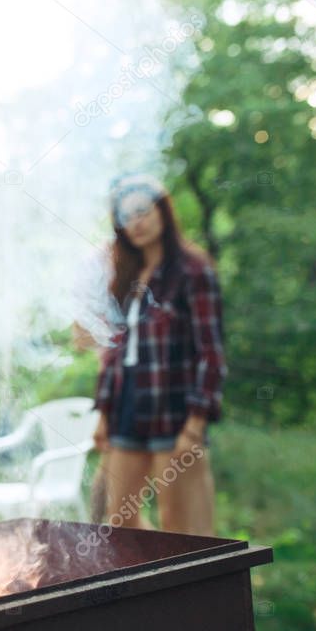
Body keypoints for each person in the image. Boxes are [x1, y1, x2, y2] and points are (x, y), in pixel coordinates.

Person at [92, 174, 226, 535]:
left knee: (186, 532)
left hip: (175, 406)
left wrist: (196, 424)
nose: (135, 222)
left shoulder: (193, 271)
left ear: (162, 211)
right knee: (120, 524)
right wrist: (104, 414)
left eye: (142, 211)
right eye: (126, 216)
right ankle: (151, 588)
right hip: (128, 406)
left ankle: (195, 591)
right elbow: (113, 352)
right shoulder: (125, 276)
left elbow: (211, 354)